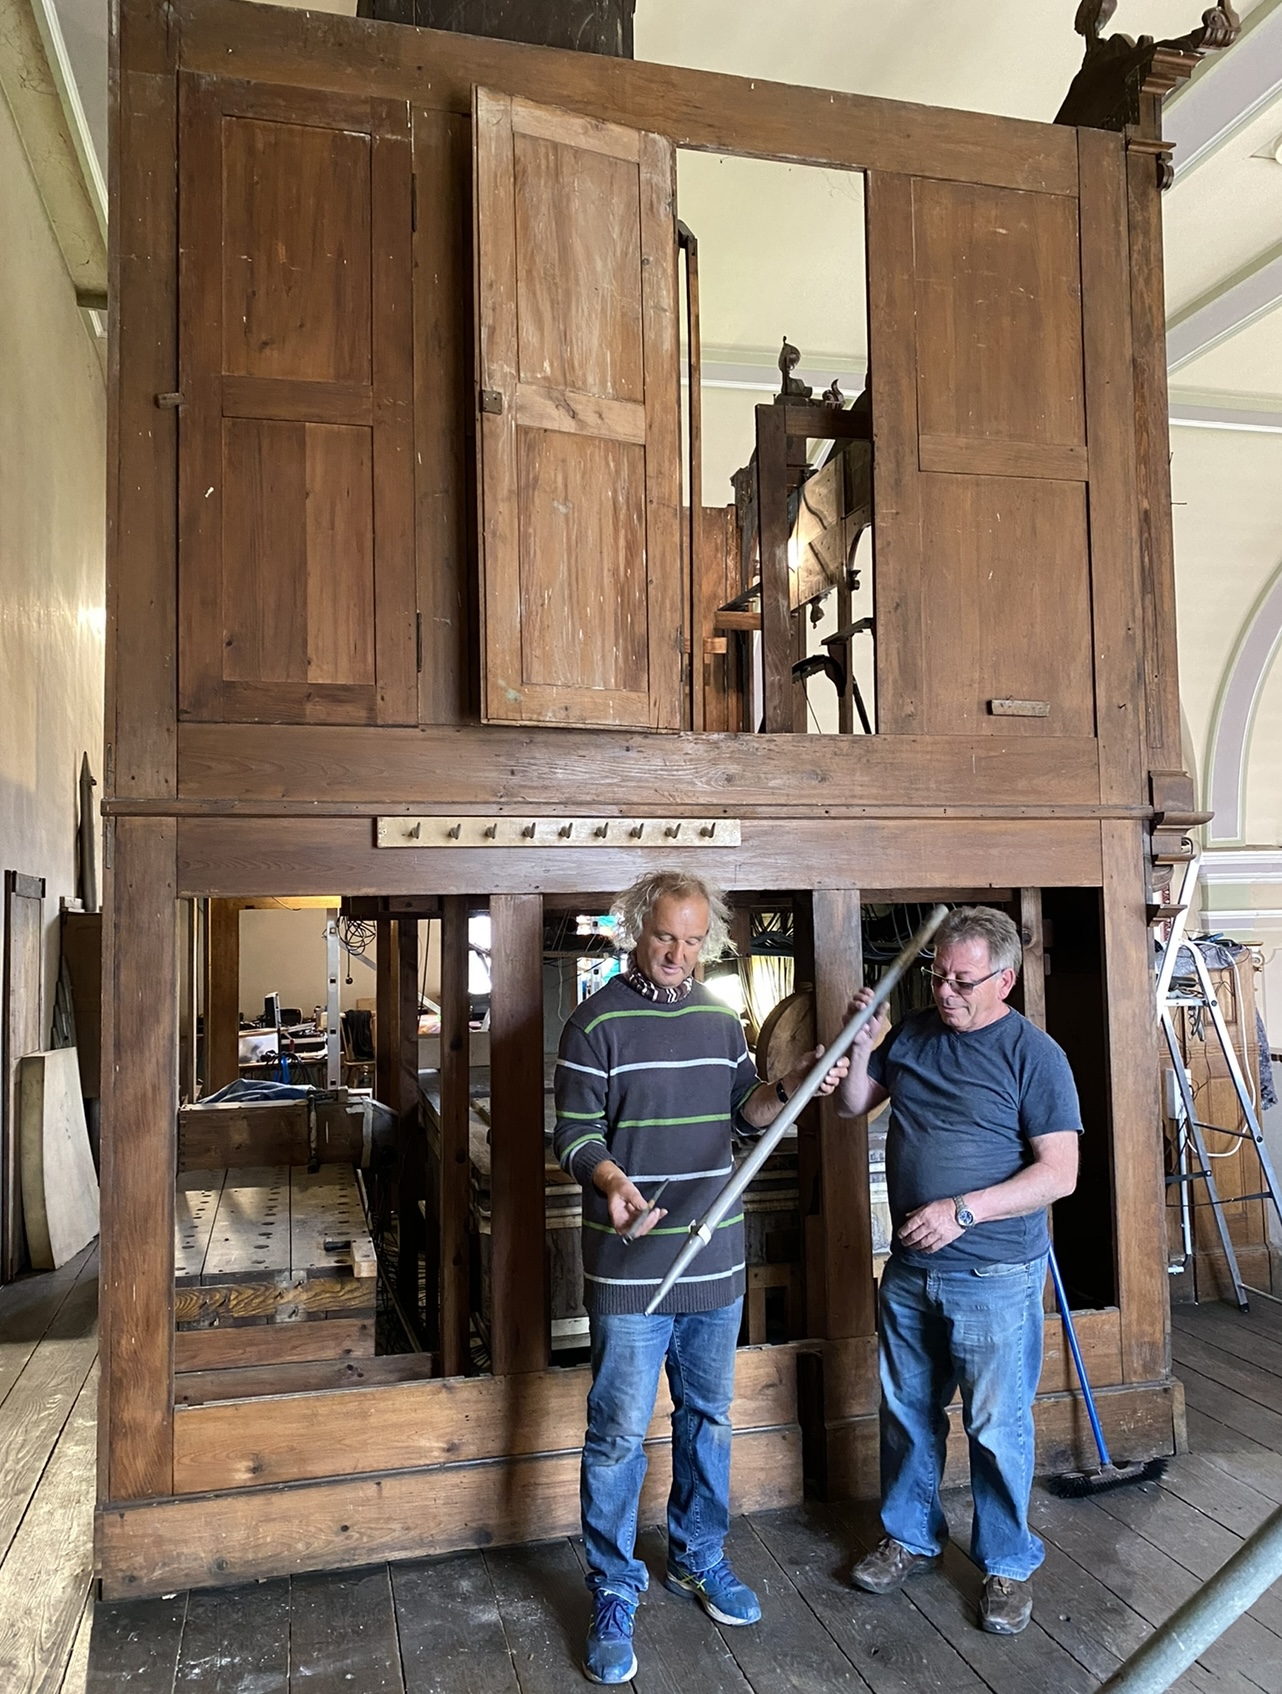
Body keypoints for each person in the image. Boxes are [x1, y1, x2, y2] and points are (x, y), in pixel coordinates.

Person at [553, 870, 848, 1685]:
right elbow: (573, 1135)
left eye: (691, 941)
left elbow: (742, 1114)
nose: (678, 954)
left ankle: (697, 1555)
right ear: (634, 931)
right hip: (632, 1270)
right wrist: (612, 1181)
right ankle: (613, 1588)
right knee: (618, 1434)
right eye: (664, 937)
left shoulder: (720, 1020)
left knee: (708, 1418)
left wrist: (787, 1087)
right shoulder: (593, 1024)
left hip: (714, 1261)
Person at [835, 905, 1081, 1637]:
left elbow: (1060, 1174)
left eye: (962, 981)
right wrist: (861, 1043)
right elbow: (853, 1106)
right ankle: (910, 1537)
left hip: (994, 1276)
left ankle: (1005, 1562)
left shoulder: (1035, 1056)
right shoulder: (912, 1034)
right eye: (937, 975)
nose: (944, 991)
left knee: (995, 1425)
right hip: (911, 1270)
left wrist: (964, 1211)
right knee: (907, 1414)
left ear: (1004, 980)